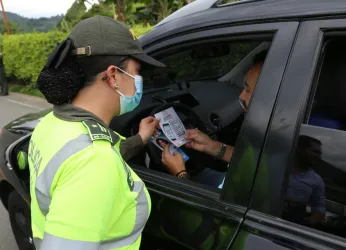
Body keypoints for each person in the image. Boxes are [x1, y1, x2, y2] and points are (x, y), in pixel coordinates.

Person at [28, 16, 164, 250]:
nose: (140, 81)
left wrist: (141, 137)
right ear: (113, 76)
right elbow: (93, 164)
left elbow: (97, 154)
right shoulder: (93, 162)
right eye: (137, 71)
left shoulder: (52, 122)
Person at [161, 52, 266, 183]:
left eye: (248, 90)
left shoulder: (284, 147)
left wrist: (180, 174)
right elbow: (254, 161)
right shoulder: (274, 132)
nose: (241, 96)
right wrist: (210, 145)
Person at [283, 135, 326, 227]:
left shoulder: (317, 180)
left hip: (292, 225)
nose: (319, 157)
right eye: (315, 152)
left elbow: (319, 207)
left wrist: (311, 220)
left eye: (320, 153)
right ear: (299, 149)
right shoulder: (277, 166)